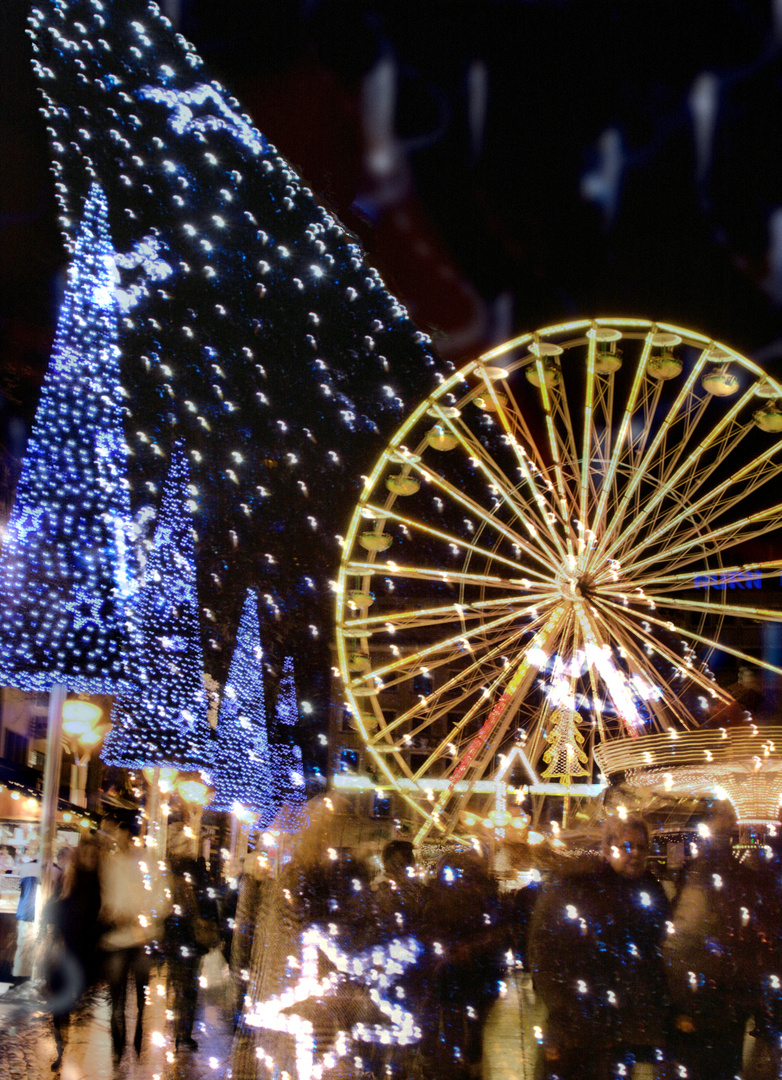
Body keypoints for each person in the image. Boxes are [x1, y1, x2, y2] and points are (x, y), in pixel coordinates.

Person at [528, 815, 670, 1080]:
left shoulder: (650, 891)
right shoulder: (578, 886)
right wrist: (565, 1008)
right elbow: (546, 951)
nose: (636, 854)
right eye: (627, 846)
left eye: (642, 847)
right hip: (576, 1021)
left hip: (620, 1024)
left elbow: (654, 952)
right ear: (607, 850)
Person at [663, 806, 756, 1080]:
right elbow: (682, 940)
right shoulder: (709, 874)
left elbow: (679, 941)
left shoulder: (706, 873)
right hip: (711, 1008)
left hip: (715, 1006)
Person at [99, 819, 169, 1059]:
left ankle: (137, 1033)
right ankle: (117, 1048)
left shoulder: (149, 864)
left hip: (141, 939)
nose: (120, 840)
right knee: (116, 998)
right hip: (117, 939)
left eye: (123, 835)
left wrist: (141, 916)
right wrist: (110, 913)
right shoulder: (112, 863)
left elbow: (162, 902)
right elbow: (107, 898)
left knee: (140, 996)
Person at [43, 837, 102, 1069]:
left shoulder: (94, 886)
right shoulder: (66, 883)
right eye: (85, 854)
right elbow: (51, 908)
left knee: (69, 1002)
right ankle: (60, 1049)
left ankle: (65, 1045)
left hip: (80, 953)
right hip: (62, 949)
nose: (89, 859)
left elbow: (95, 919)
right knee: (59, 1004)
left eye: (92, 856)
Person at [165, 853, 219, 1050]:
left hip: (176, 945)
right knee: (189, 990)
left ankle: (178, 1027)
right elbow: (212, 913)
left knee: (180, 987)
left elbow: (166, 915)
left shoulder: (173, 887)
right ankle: (184, 1032)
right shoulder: (202, 887)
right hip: (193, 945)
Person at [11, 842, 40, 985]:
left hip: (25, 912)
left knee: (23, 947)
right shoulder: (56, 870)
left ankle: (19, 981)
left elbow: (17, 887)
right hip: (43, 916)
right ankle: (37, 981)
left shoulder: (25, 867)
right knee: (41, 949)